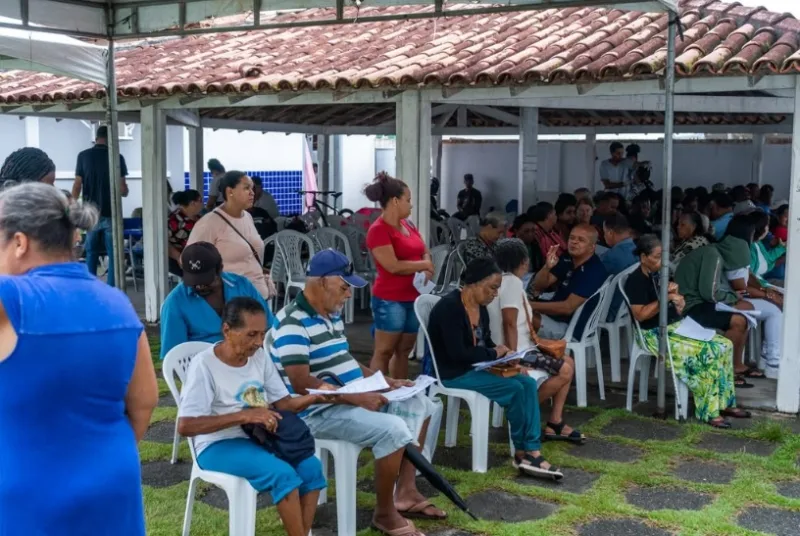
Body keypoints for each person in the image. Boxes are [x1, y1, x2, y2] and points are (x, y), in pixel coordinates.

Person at [0, 182, 158, 534]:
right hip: (112, 490)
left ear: (20, 242)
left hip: (26, 501)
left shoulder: (10, 297)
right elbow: (144, 405)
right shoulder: (118, 302)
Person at [270, 250, 446, 536]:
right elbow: (302, 383)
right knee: (392, 429)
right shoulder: (293, 321)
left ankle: (406, 491)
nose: (348, 295)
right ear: (323, 281)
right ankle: (385, 514)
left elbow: (345, 361)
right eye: (344, 287)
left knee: (422, 404)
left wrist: (384, 381)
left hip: (344, 399)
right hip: (314, 411)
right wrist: (354, 398)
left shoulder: (331, 314)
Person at [179, 298, 327, 536]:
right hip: (216, 444)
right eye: (251, 335)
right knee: (283, 476)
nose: (259, 343)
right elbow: (186, 426)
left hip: (258, 437)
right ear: (227, 330)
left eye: (262, 334)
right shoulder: (204, 366)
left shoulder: (259, 356)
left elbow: (284, 403)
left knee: (311, 468)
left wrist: (316, 396)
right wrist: (246, 416)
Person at [428, 257, 562, 478]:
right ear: (473, 283)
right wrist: (495, 353)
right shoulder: (450, 308)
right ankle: (523, 451)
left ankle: (532, 449)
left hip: (476, 367)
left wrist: (505, 357)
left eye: (497, 289)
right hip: (453, 373)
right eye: (492, 288)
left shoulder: (480, 309)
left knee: (526, 382)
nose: (495, 294)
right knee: (515, 390)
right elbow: (457, 354)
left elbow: (486, 343)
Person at [625, 235, 748, 428]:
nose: (663, 262)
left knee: (725, 344)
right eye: (658, 257)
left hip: (673, 326)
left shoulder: (658, 275)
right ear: (643, 257)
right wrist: (665, 299)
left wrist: (679, 303)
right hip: (652, 334)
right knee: (708, 351)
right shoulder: (636, 281)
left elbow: (674, 308)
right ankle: (708, 410)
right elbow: (640, 315)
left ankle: (724, 402)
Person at [488, 239, 584, 443]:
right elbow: (509, 323)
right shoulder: (512, 283)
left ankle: (555, 422)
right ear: (523, 261)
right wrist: (512, 358)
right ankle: (522, 412)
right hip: (518, 351)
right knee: (565, 369)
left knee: (568, 362)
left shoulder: (501, 281)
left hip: (519, 348)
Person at [365, 173, 433, 379]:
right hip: (390, 300)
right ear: (395, 201)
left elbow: (424, 249)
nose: (411, 205)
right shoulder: (378, 230)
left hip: (413, 296)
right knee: (384, 351)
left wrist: (427, 266)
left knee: (404, 351)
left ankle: (400, 391)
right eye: (408, 200)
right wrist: (425, 264)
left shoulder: (408, 225)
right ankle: (375, 393)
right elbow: (392, 266)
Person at [160, 242, 274, 359]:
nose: (199, 286)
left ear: (220, 269)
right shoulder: (174, 303)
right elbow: (173, 354)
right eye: (193, 280)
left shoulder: (242, 285)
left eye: (205, 280)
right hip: (203, 367)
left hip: (250, 359)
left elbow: (269, 326)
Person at [673, 233, 753, 389]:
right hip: (689, 307)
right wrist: (731, 297)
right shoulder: (713, 256)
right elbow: (709, 293)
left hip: (696, 303)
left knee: (744, 316)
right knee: (739, 321)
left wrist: (731, 298)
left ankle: (736, 365)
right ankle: (726, 372)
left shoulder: (712, 252)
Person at [187, 171, 273, 299]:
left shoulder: (247, 217)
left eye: (252, 188)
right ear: (230, 191)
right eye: (246, 188)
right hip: (231, 301)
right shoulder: (210, 223)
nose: (252, 193)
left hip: (258, 297)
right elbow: (190, 260)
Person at [723, 215, 784, 380]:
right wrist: (767, 295)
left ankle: (767, 357)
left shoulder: (739, 246)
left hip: (739, 295)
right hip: (728, 298)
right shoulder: (735, 249)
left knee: (778, 304)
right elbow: (740, 286)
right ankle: (772, 361)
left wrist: (766, 290)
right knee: (775, 311)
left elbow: (748, 275)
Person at [72, 125, 129, 287]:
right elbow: (122, 189)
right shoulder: (117, 157)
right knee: (113, 254)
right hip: (111, 213)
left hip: (90, 215)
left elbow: (77, 185)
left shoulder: (83, 156)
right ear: (111, 139)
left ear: (96, 138)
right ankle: (110, 289)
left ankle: (90, 288)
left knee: (91, 253)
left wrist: (71, 206)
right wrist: (123, 191)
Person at [529, 224, 608, 339]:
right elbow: (539, 286)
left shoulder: (593, 270)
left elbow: (567, 308)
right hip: (553, 316)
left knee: (515, 314)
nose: (574, 242)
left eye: (581, 240)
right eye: (572, 238)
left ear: (592, 247)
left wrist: (529, 306)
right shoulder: (568, 258)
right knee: (511, 310)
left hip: (569, 328)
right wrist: (547, 267)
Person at [600, 213, 637, 322]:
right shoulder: (638, 251)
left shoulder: (610, 257)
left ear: (610, 232)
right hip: (628, 307)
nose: (604, 236)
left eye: (604, 232)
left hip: (610, 311)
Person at [168, 189, 204, 277]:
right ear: (193, 203)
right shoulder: (174, 219)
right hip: (179, 259)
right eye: (200, 201)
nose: (202, 204)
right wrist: (178, 257)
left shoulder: (199, 218)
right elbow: (165, 243)